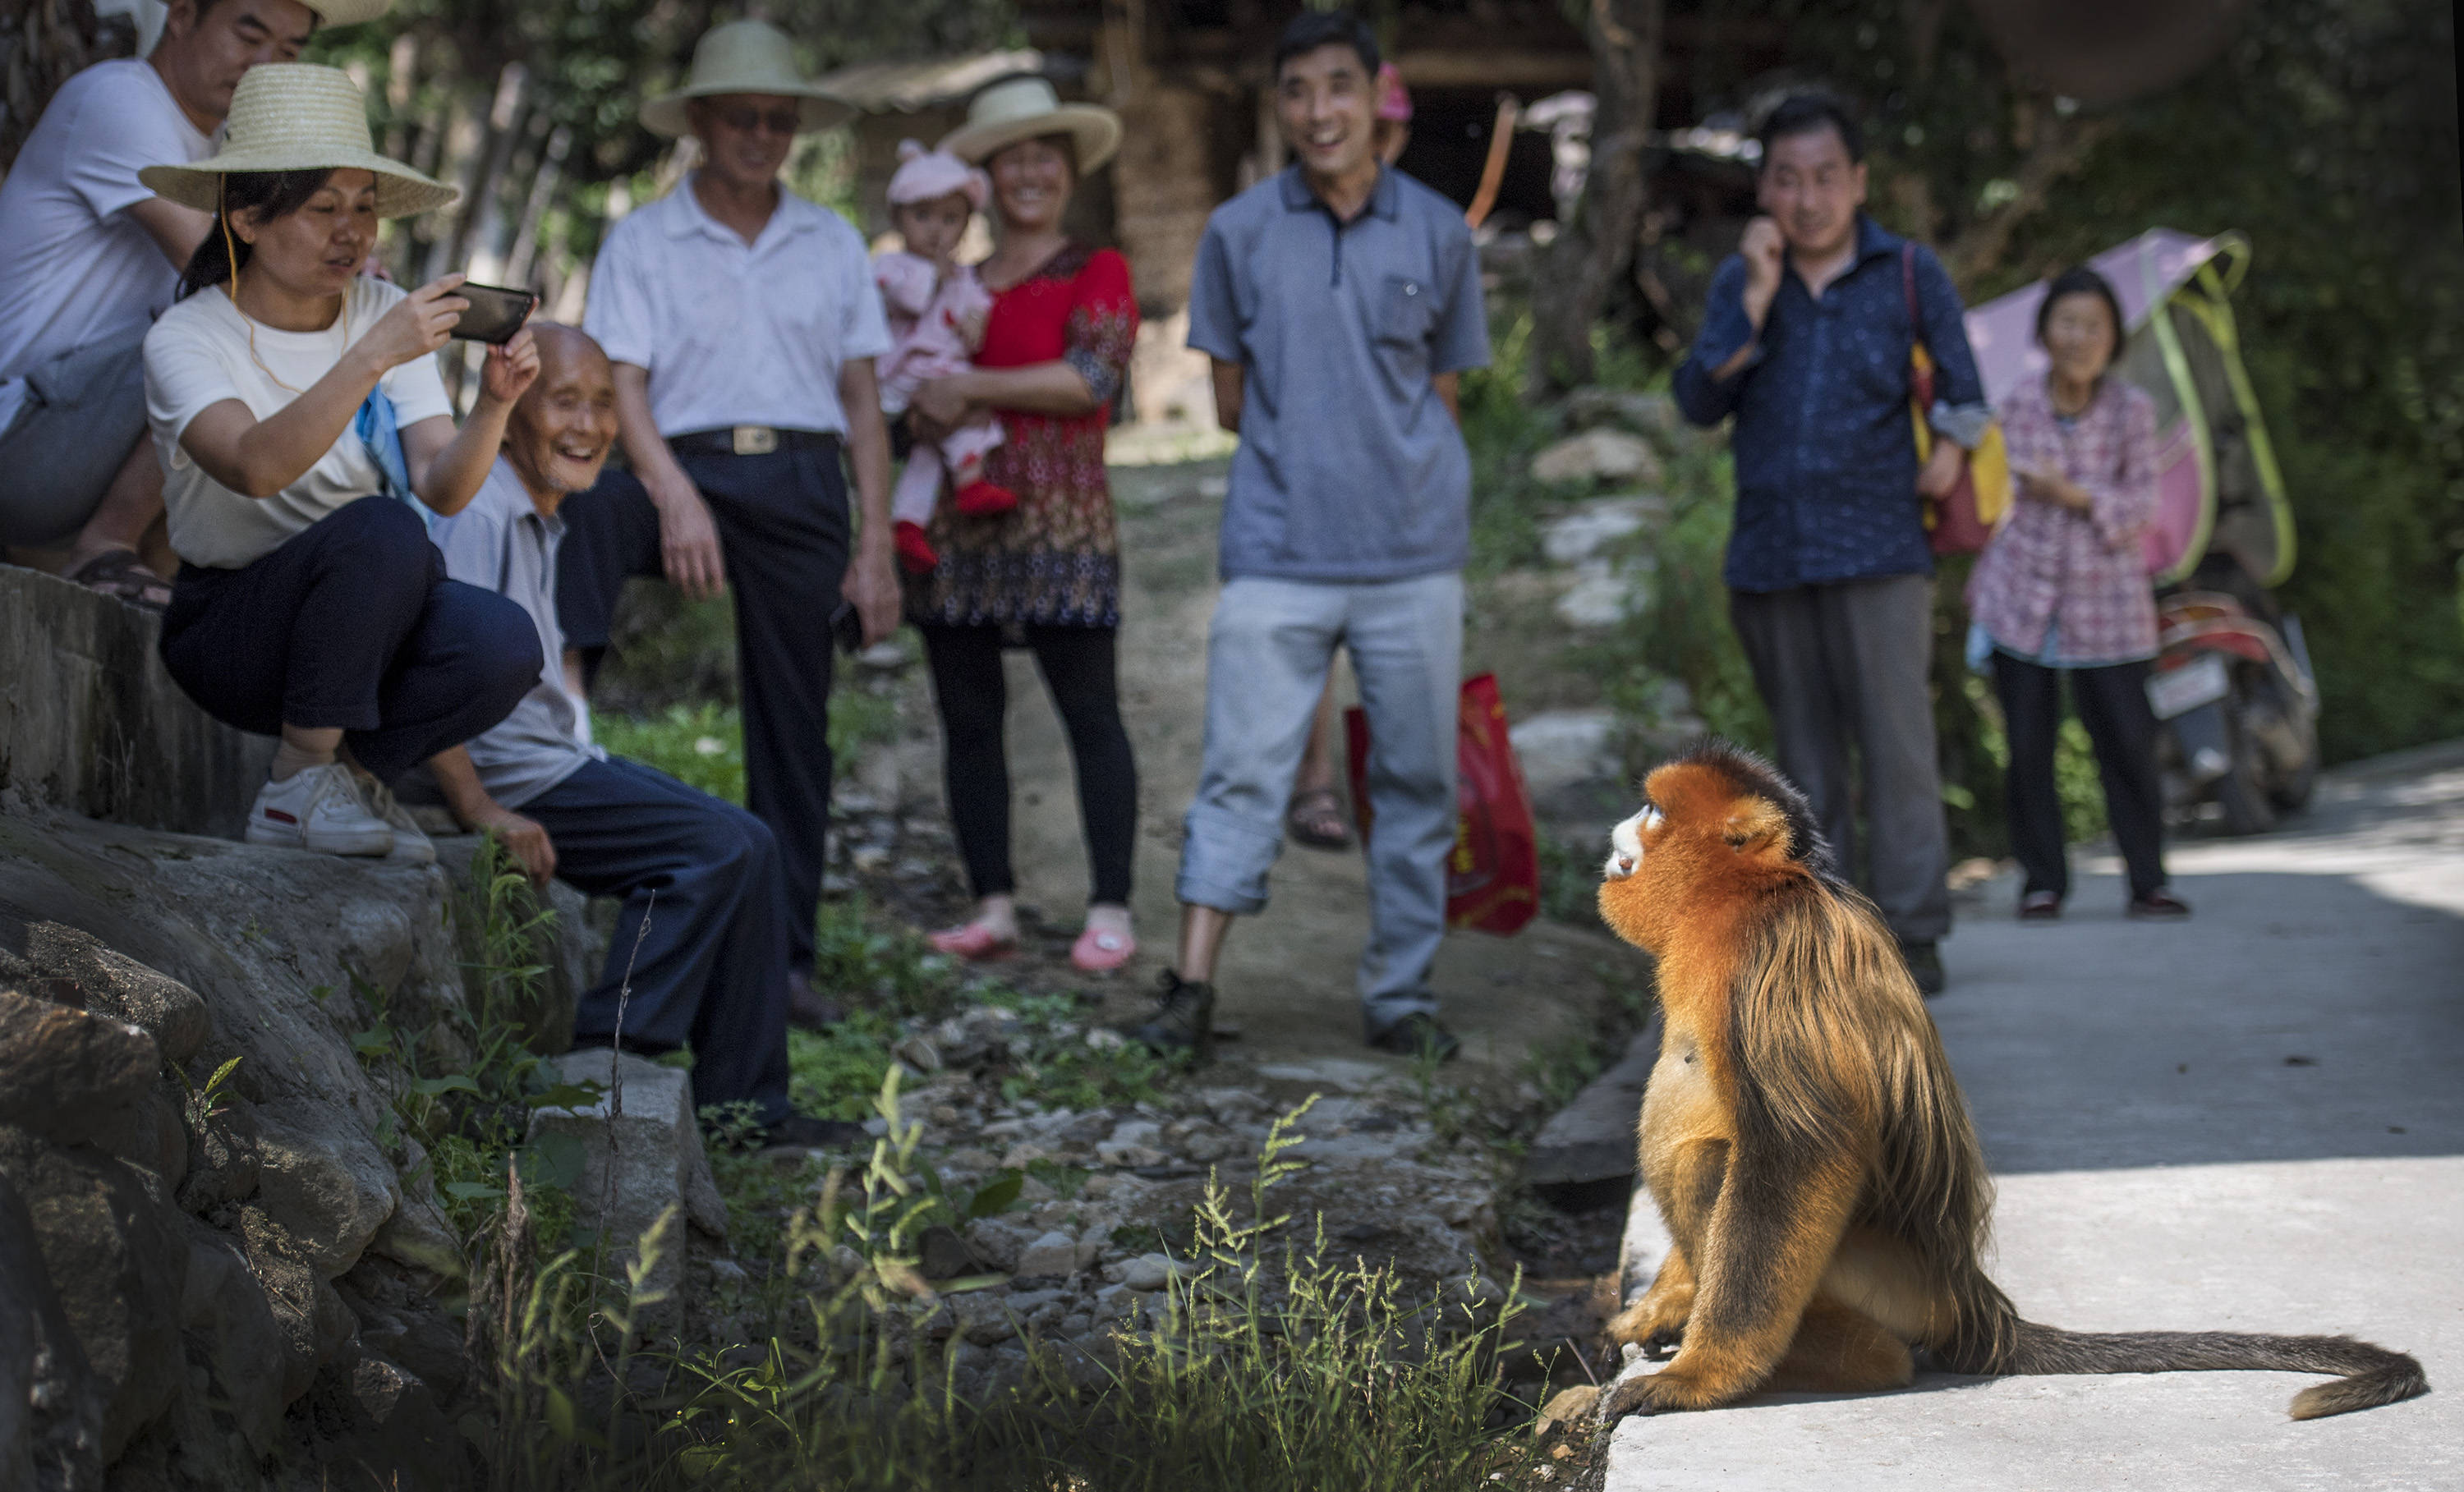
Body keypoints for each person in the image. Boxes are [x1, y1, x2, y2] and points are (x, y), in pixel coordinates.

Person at [420, 324, 864, 1150]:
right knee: (717, 848)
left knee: (752, 844)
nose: (588, 425)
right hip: (510, 772)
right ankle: (609, 1057)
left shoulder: (545, 509)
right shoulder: (477, 511)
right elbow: (408, 666)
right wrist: (477, 805)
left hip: (550, 758)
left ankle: (746, 1108)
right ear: (513, 405)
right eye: (564, 401)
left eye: (602, 404)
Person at [1148, 10, 1489, 1061]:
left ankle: (1400, 995)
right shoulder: (1239, 232)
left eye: (1337, 86)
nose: (1317, 111)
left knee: (1417, 781)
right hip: (1278, 550)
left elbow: (1442, 391)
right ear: (1280, 105)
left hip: (1411, 557)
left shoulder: (1436, 229)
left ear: (1375, 93)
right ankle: (1191, 984)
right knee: (1242, 769)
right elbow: (1230, 399)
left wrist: (1383, 469)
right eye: (1297, 91)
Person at [572, 18, 900, 1004]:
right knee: (584, 511)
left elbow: (862, 405)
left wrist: (875, 544)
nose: (762, 135)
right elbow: (621, 384)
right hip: (680, 461)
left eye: (778, 119)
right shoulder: (644, 238)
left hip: (801, 480)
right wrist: (673, 493)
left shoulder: (831, 238)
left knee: (795, 722)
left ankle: (788, 957)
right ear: (703, 125)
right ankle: (557, 721)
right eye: (743, 117)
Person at [139, 62, 540, 863]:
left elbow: (442, 484)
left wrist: (496, 403)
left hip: (364, 619)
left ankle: (346, 783)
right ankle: (296, 781)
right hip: (233, 630)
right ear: (246, 217)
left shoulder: (382, 312)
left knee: (501, 642)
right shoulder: (186, 338)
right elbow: (253, 466)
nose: (352, 232)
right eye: (323, 208)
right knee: (383, 530)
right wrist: (369, 356)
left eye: (365, 208)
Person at [1671, 93, 1987, 996]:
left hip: (1880, 545)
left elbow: (1966, 388)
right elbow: (1698, 399)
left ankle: (1916, 933)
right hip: (1770, 552)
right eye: (1785, 179)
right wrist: (1757, 300)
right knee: (1799, 766)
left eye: (1823, 178)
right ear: (1764, 185)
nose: (1805, 198)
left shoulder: (1911, 272)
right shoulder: (1744, 281)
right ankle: (1824, 940)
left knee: (1897, 747)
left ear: (1857, 181)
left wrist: (1952, 454)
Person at [0, 0, 385, 607]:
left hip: (75, 438)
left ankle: (165, 571)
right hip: (23, 440)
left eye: (287, 53)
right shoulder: (120, 99)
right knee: (223, 328)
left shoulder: (220, 155)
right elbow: (224, 270)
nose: (263, 67)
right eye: (248, 32)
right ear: (182, 14)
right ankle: (106, 546)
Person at [901, 76, 1143, 976]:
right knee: (968, 720)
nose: (1030, 172)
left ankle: (1111, 907)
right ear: (987, 178)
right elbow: (907, 374)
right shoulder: (952, 282)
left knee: (1091, 715)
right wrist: (920, 402)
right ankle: (992, 902)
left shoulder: (1097, 267)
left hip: (1063, 525)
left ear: (1070, 169)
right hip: (957, 526)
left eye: (1046, 155)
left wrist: (968, 389)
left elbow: (1091, 378)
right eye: (1013, 158)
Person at [1968, 268, 2190, 922]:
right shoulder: (2017, 406)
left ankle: (2148, 880)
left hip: (2111, 608)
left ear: (2112, 337)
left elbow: (2140, 506)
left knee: (2126, 742)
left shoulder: (2133, 411)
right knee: (2028, 748)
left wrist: (2072, 495)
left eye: (2094, 325)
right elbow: (2005, 495)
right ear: (2045, 332)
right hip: (2022, 599)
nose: (2080, 337)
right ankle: (2042, 883)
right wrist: (2083, 499)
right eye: (2068, 322)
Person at [1283, 57, 1418, 855]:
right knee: (1315, 640)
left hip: (1397, 473)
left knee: (1397, 641)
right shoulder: (1291, 228)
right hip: (1310, 465)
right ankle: (1314, 779)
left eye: (1391, 127)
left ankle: (1390, 783)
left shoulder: (1421, 230)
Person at [872, 140, 1013, 576]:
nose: (936, 230)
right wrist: (936, 275)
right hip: (905, 374)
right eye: (922, 216)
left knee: (928, 459)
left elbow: (975, 316)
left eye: (950, 219)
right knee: (960, 426)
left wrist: (974, 324)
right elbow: (911, 302)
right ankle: (969, 481)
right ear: (897, 218)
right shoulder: (888, 267)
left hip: (942, 371)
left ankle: (909, 524)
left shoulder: (964, 276)